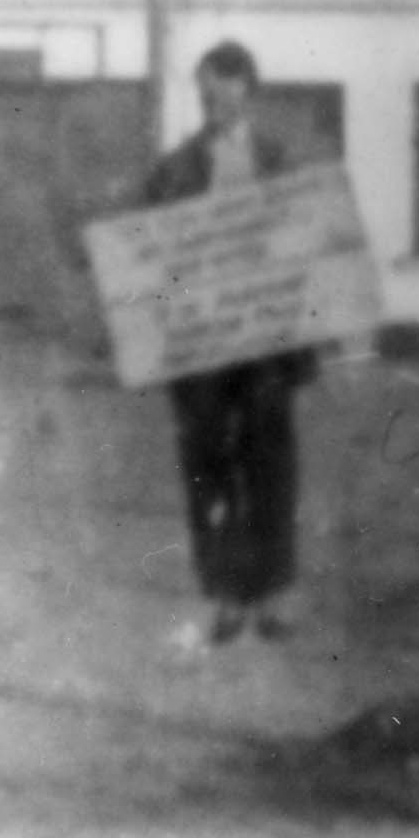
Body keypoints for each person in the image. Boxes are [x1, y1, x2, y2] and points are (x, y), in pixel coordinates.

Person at [146, 40, 318, 645]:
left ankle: (271, 594)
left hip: (267, 346)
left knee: (270, 467)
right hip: (202, 350)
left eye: (224, 94)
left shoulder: (282, 164)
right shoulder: (173, 172)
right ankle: (224, 596)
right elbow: (151, 263)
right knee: (209, 470)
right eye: (204, 96)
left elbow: (310, 251)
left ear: (249, 92)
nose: (213, 106)